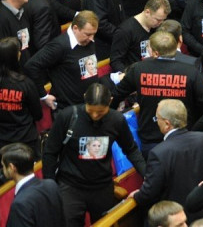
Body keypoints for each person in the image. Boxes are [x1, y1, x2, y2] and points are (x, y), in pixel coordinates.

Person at [42, 83, 146, 225]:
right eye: (91, 111)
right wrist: (50, 186)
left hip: (102, 187)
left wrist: (146, 174)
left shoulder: (117, 120)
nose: (95, 116)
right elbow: (50, 152)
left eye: (101, 112)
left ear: (110, 101)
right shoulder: (67, 116)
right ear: (85, 98)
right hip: (70, 186)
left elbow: (131, 150)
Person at [112, 31, 203, 156]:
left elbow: (117, 94)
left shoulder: (138, 69)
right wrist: (197, 127)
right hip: (184, 135)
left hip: (151, 138)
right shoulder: (190, 71)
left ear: (155, 53)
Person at [132, 100, 203, 223]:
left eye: (157, 118)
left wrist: (136, 196)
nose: (156, 121)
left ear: (167, 124)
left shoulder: (158, 153)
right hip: (200, 212)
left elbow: (149, 193)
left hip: (174, 218)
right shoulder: (202, 139)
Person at [24, 10, 98, 109]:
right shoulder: (59, 46)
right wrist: (43, 95)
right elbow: (31, 66)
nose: (91, 38)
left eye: (93, 34)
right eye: (88, 34)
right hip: (68, 109)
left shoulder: (89, 41)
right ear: (75, 28)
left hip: (88, 105)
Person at [0, 37, 42, 158]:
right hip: (26, 141)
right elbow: (38, 114)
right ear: (15, 57)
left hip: (1, 142)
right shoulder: (25, 83)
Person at [2, 143, 65, 227]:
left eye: (3, 166)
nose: (2, 169)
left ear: (12, 167)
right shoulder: (52, 185)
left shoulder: (20, 204)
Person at [110, 0, 171, 72]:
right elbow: (116, 62)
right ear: (147, 12)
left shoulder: (156, 27)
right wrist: (130, 75)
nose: (160, 23)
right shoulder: (125, 31)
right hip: (135, 74)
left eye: (163, 20)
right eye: (158, 20)